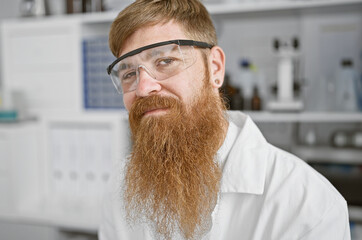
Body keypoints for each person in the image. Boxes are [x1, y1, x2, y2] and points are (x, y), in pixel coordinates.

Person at [98, 0, 350, 239]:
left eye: (165, 61)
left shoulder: (308, 205)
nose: (143, 88)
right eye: (129, 72)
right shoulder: (120, 188)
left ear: (215, 68)